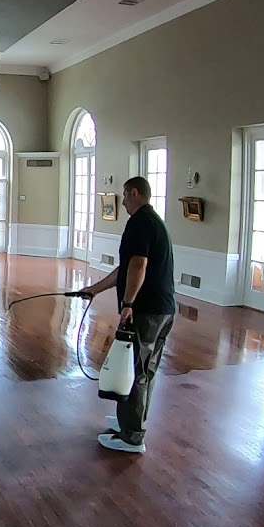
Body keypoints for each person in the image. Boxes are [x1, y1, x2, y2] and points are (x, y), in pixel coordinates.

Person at [75, 176, 175, 454]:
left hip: (146, 310)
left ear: (134, 193)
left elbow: (138, 265)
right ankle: (132, 421)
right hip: (164, 309)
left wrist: (128, 303)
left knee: (136, 371)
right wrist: (94, 290)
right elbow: (126, 269)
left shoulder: (140, 222)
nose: (123, 202)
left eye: (124, 195)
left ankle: (131, 435)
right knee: (148, 370)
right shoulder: (153, 221)